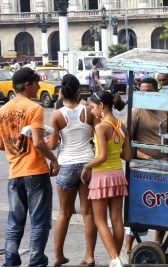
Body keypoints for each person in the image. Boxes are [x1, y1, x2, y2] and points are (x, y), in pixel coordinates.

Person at [0, 67, 60, 266]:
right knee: (39, 222)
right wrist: (54, 160)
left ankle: (10, 261)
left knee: (15, 221)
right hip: (35, 172)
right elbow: (38, 142)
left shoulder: (3, 110)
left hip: (15, 173)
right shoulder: (34, 108)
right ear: (27, 85)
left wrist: (15, 144)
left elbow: (2, 143)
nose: (38, 87)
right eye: (35, 84)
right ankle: (35, 262)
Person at [47, 74, 99, 266]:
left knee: (64, 213)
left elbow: (52, 144)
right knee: (88, 213)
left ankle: (59, 256)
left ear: (61, 92)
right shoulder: (88, 111)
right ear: (78, 91)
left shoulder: (57, 114)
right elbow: (94, 136)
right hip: (87, 163)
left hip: (67, 165)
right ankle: (89, 256)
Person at [81, 90, 130, 267]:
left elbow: (101, 156)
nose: (92, 111)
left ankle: (114, 259)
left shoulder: (101, 127)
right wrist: (114, 149)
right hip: (118, 175)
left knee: (99, 219)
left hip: (101, 177)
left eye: (93, 107)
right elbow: (128, 156)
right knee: (117, 219)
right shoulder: (122, 126)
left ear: (101, 106)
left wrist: (87, 166)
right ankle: (115, 257)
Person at [123, 77, 168, 250]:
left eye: (149, 91)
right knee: (138, 208)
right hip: (140, 169)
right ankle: (128, 247)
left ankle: (158, 243)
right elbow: (125, 142)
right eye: (142, 91)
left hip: (163, 167)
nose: (145, 94)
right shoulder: (136, 111)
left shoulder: (165, 111)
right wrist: (143, 156)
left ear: (157, 92)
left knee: (162, 205)